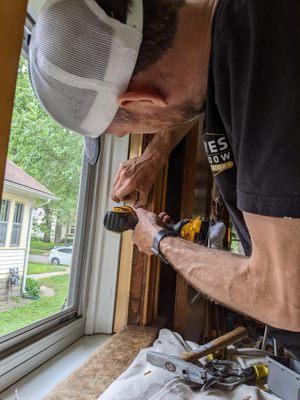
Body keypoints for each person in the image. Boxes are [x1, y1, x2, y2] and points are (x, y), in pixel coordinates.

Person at [29, 0, 300, 357]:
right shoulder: (238, 34)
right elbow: (187, 87)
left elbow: (286, 299)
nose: (126, 137)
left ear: (141, 98)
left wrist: (160, 242)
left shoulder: (265, 74)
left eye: (122, 128)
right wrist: (156, 154)